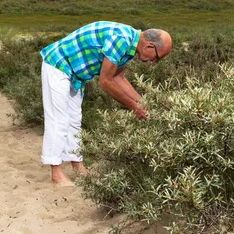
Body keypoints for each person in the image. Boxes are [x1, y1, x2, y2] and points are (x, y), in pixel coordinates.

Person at [39, 21, 172, 186]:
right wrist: (133, 107)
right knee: (59, 120)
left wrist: (145, 103)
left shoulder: (130, 46)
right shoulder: (121, 39)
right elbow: (105, 81)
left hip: (76, 74)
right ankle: (56, 174)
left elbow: (118, 78)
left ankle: (78, 167)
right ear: (150, 47)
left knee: (74, 120)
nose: (154, 63)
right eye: (157, 58)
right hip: (58, 64)